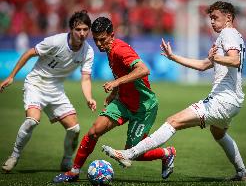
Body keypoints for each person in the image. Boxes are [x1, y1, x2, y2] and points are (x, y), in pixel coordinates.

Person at [102, 1, 246, 182]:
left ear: (229, 17)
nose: (212, 22)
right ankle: (243, 173)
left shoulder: (228, 33)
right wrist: (173, 57)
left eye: (215, 18)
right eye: (210, 18)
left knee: (173, 121)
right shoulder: (232, 36)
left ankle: (129, 153)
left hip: (222, 100)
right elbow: (204, 65)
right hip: (233, 101)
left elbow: (234, 60)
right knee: (218, 132)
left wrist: (217, 57)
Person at [53, 17, 176, 183]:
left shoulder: (120, 50)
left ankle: (167, 153)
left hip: (143, 107)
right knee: (94, 131)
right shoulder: (110, 50)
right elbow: (122, 73)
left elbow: (143, 70)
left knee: (132, 152)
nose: (99, 44)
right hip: (123, 102)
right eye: (95, 40)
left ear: (112, 35)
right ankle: (74, 172)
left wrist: (115, 83)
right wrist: (115, 92)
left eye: (102, 39)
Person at [1, 10, 96, 172]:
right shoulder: (56, 41)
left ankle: (66, 160)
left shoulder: (88, 51)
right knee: (32, 120)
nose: (82, 33)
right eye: (78, 29)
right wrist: (11, 76)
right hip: (36, 84)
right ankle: (14, 156)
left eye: (85, 29)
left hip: (56, 90)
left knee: (75, 129)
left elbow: (85, 78)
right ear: (71, 29)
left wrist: (89, 98)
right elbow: (30, 53)